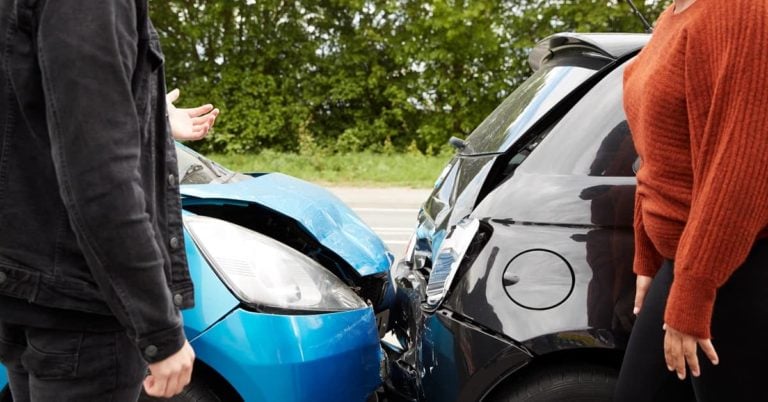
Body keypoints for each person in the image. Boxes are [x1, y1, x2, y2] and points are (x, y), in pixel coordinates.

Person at [0, 1, 217, 400]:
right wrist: (160, 332)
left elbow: (34, 109)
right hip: (82, 313)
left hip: (32, 291)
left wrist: (147, 113)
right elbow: (101, 179)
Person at [615, 0, 768, 400]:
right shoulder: (675, 13)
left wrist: (694, 291)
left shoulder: (743, 10)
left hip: (735, 269)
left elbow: (742, 165)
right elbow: (657, 146)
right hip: (686, 262)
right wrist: (647, 252)